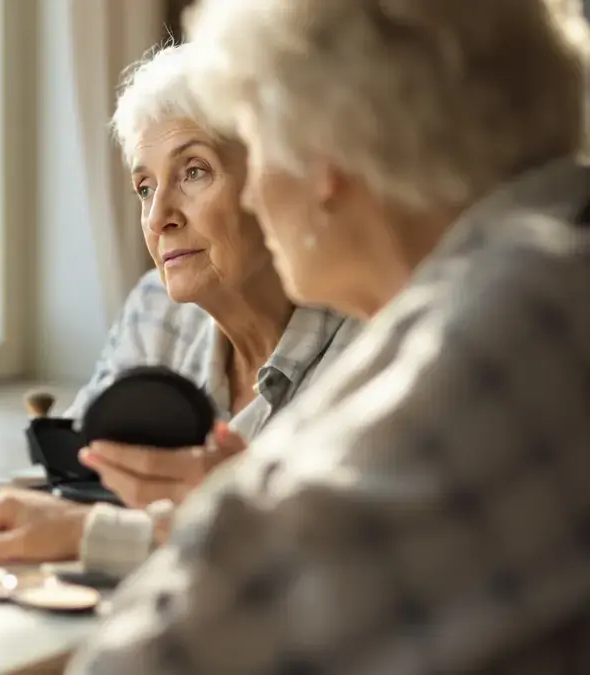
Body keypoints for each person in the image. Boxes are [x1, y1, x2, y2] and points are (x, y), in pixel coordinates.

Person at [67, 0, 590, 673]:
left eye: (258, 151)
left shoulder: (518, 319)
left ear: (325, 158)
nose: (253, 198)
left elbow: (149, 658)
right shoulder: (538, 267)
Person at [0, 44, 362, 578]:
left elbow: (342, 569)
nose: (159, 216)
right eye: (145, 187)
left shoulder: (368, 343)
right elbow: (82, 479)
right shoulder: (155, 307)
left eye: (194, 171)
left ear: (281, 181)